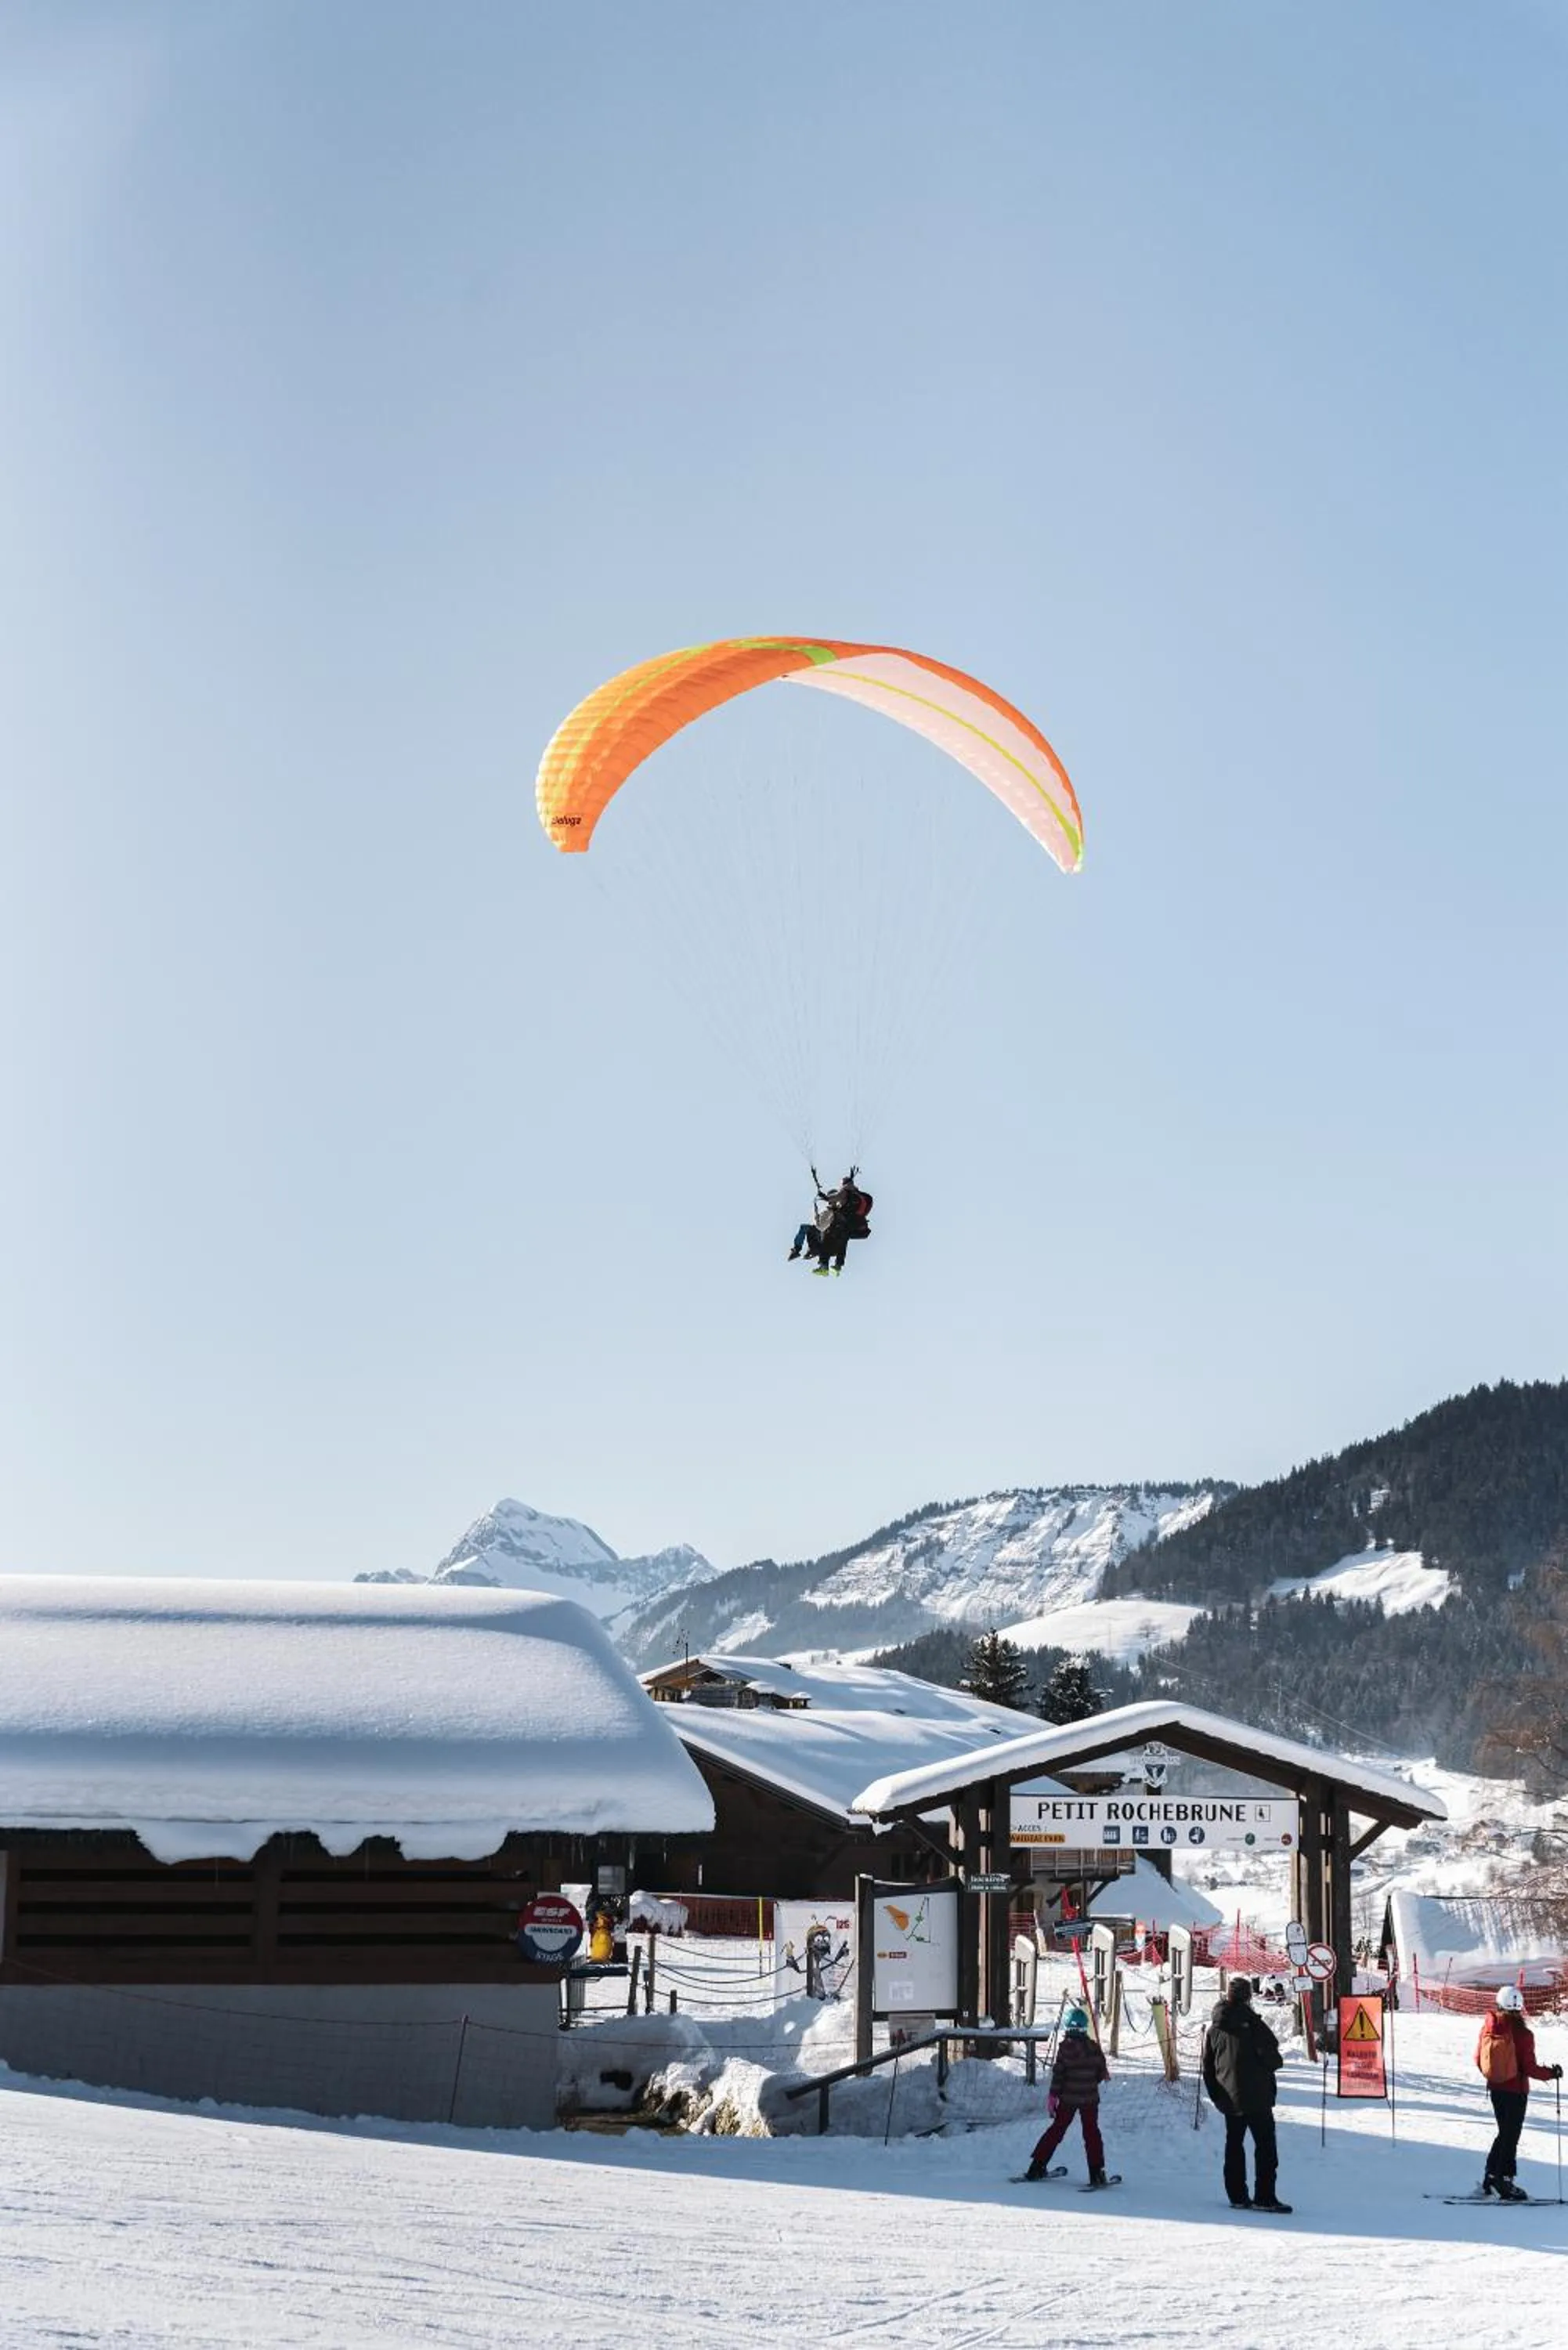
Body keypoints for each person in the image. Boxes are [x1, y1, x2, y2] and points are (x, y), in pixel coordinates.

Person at [1202, 1973, 1291, 2212]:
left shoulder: (1214, 2028)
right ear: (1248, 1998)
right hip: (1258, 2097)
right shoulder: (1254, 2025)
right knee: (1265, 2148)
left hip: (1229, 2098)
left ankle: (1237, 2196)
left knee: (1234, 2146)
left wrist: (1217, 2096)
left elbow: (1207, 2067)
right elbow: (1274, 2061)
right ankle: (1264, 2196)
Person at [1476, 1983, 1562, 2199]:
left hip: (1496, 2089)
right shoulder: (1523, 2034)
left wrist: (1494, 2075)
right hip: (1516, 2092)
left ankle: (1491, 2176)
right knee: (1510, 2135)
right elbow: (1529, 2068)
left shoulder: (1489, 2028)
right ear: (1520, 2006)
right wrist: (1552, 2073)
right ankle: (1504, 2180)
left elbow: (1478, 2058)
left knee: (1504, 2133)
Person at [1023, 2006, 1111, 2185]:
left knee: (1057, 2130)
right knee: (1092, 2133)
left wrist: (1053, 2096)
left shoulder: (1065, 2049)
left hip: (1068, 2099)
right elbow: (1101, 2074)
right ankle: (1097, 2173)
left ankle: (1036, 2166)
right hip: (1090, 2099)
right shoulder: (1094, 2048)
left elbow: (1059, 2075)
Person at [788, 1167, 872, 1276]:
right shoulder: (857, 1198)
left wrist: (822, 1202)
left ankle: (799, 1251)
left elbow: (820, 1226)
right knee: (842, 1236)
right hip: (841, 1243)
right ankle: (837, 1267)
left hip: (825, 1246)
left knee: (812, 1230)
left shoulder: (834, 1210)